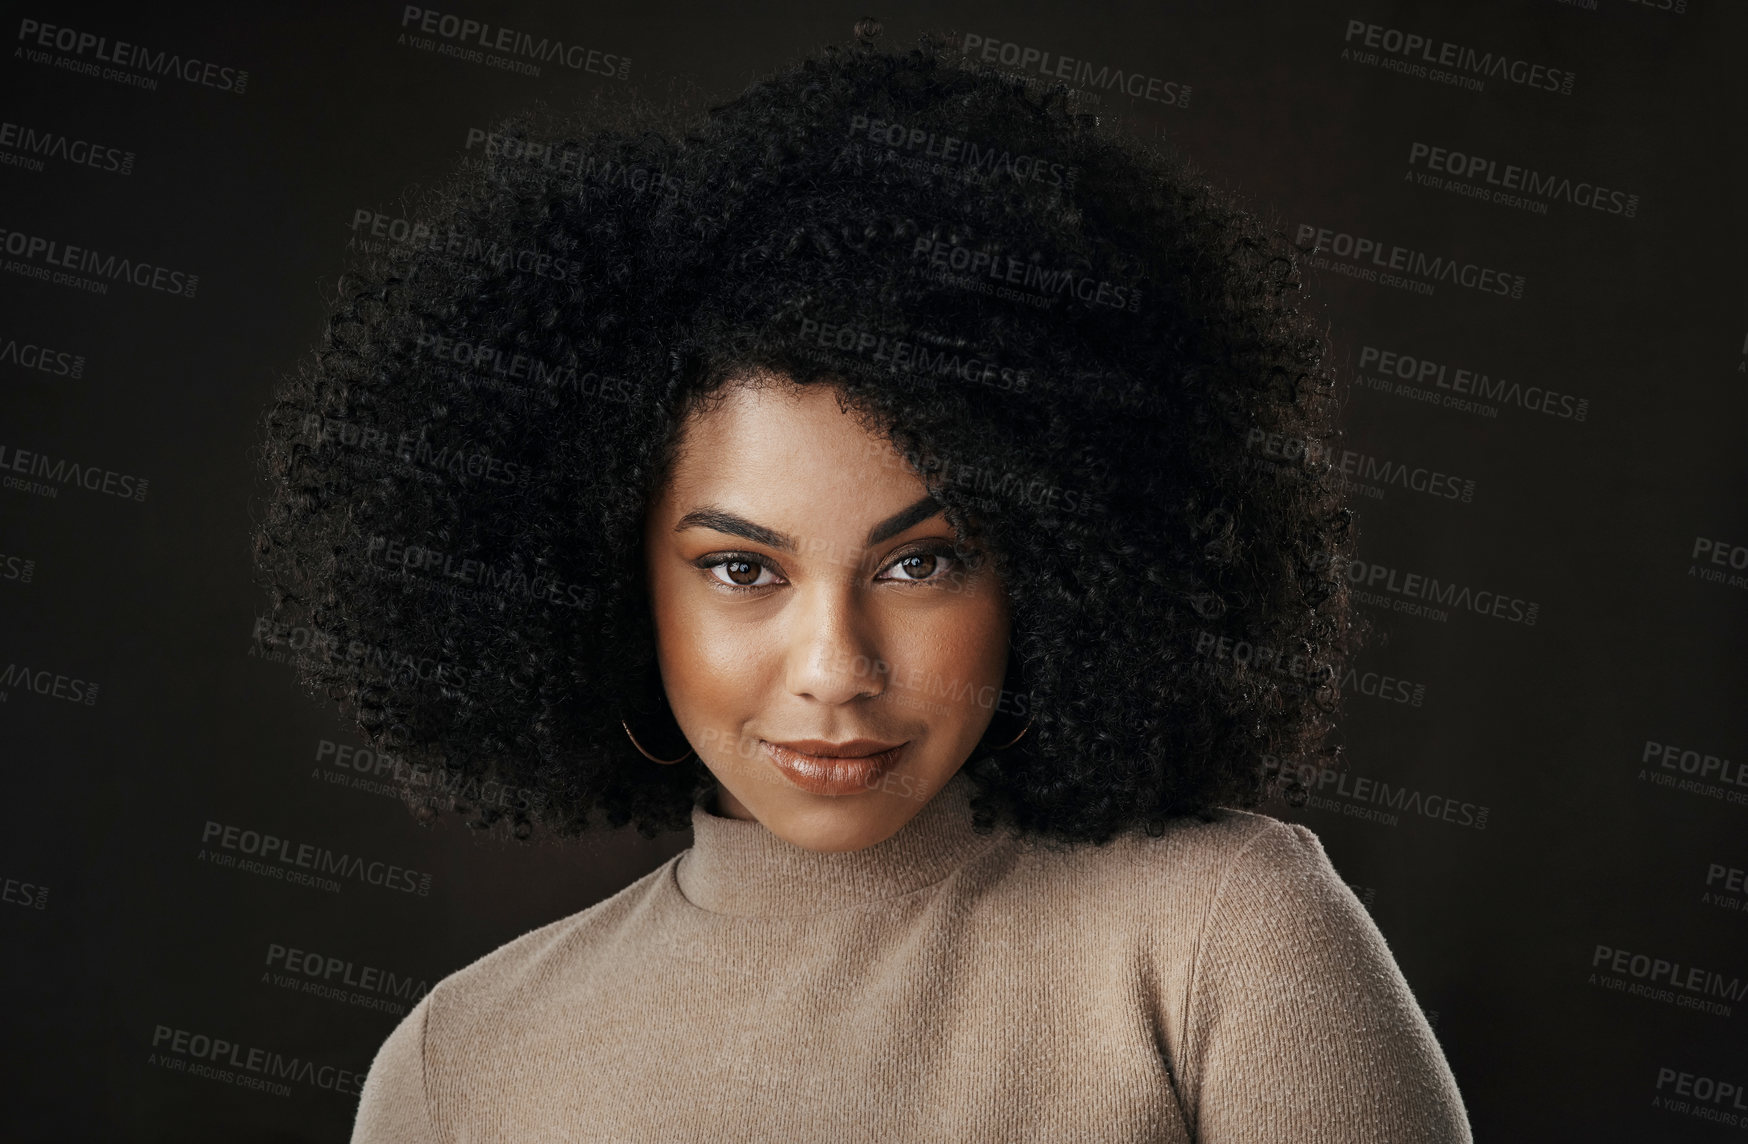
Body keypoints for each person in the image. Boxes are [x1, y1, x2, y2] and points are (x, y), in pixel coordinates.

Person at [252, 26, 1472, 1143]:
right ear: (607, 584)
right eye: (741, 568)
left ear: (1053, 563)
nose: (835, 667)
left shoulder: (1223, 938)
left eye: (919, 562)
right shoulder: (460, 1065)